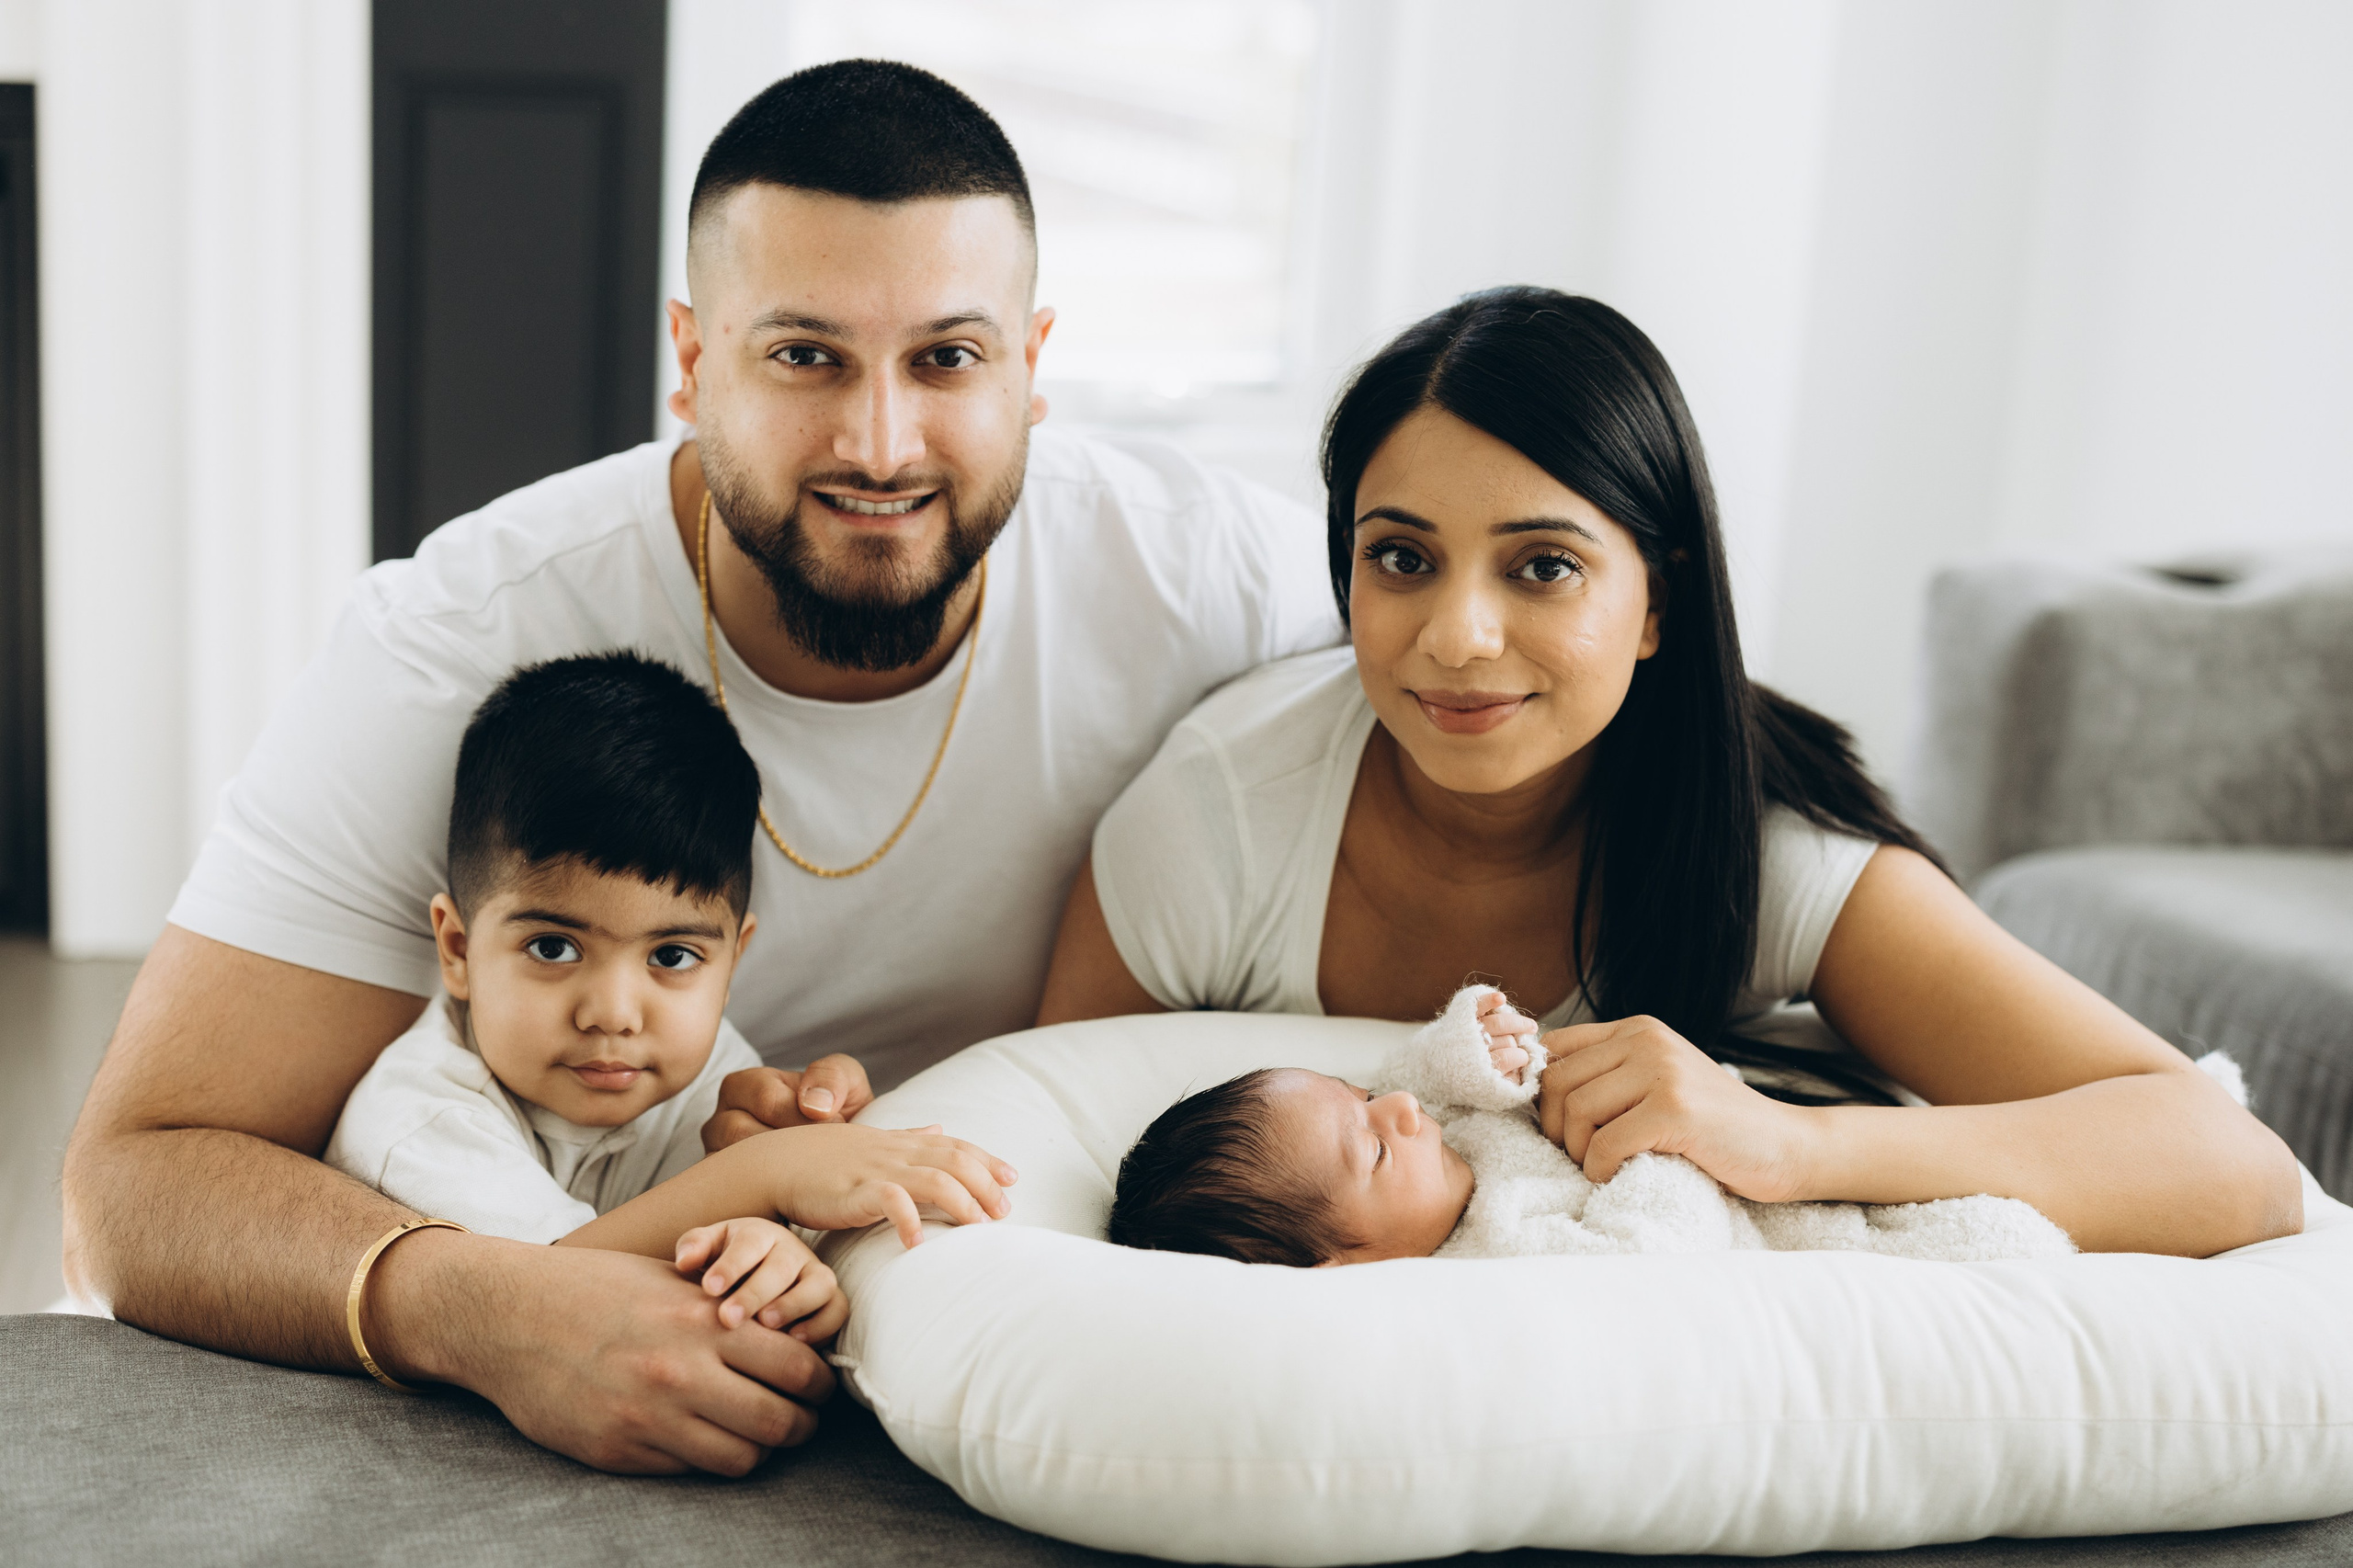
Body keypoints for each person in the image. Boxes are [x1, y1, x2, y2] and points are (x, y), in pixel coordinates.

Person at [63, 61, 1334, 1475]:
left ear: (1035, 366)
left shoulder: (1219, 575)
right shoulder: (458, 637)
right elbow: (129, 1187)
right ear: (691, 356)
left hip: (945, 1301)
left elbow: (1550, 683)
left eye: (947, 359)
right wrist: (487, 1311)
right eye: (805, 356)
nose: (880, 442)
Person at [1039, 287, 2302, 1259]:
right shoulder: (1214, 824)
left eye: (1542, 566)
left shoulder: (1771, 847)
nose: (1459, 636)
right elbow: (1069, 1162)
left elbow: (2228, 1160)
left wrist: (1783, 1139)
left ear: (1657, 603)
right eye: (1402, 559)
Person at [324, 653, 1013, 1343]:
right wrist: (767, 1174)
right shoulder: (416, 1124)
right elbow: (543, 1293)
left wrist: (775, 1255)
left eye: (672, 957)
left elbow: (725, 1246)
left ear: (731, 961)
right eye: (553, 948)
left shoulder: (708, 1082)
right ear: (458, 950)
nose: (614, 1014)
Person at [1107, 984, 2076, 1266]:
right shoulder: (1496, 1260)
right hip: (1773, 1221)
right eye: (1369, 1143)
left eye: (1355, 1096)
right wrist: (1649, 1152)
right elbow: (1655, 1255)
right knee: (1992, 1239)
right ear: (1350, 1265)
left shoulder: (1433, 1136)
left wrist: (1481, 1044)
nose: (1394, 1109)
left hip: (1781, 1126)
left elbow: (1415, 1071)